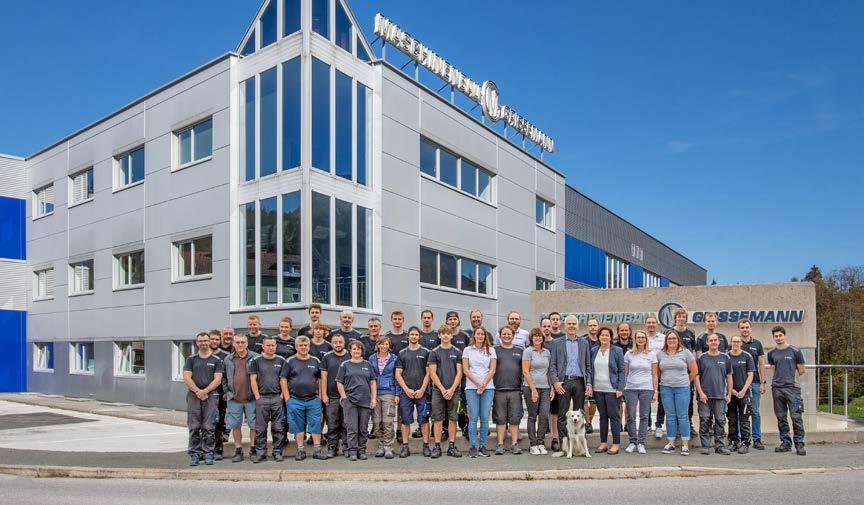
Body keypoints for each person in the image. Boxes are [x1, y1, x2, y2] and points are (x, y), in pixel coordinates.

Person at [548, 315, 593, 457]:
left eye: (574, 324)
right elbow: (552, 365)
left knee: (579, 415)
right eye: (569, 324)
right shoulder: (557, 343)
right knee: (562, 415)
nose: (572, 326)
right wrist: (555, 382)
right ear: (565, 326)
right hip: (564, 382)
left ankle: (579, 446)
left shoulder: (584, 343)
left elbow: (588, 366)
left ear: (577, 326)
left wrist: (589, 383)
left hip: (580, 382)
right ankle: (565, 446)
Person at [281, 336, 326, 461]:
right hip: (295, 399)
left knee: (316, 424)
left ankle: (317, 450)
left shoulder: (315, 361)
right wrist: (287, 399)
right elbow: (283, 380)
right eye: (301, 345)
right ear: (296, 347)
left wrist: (320, 396)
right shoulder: (290, 361)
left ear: (309, 347)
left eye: (305, 345)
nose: (303, 347)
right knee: (298, 425)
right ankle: (300, 450)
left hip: (313, 399)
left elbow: (320, 379)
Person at [183, 332, 224, 466]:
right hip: (193, 396)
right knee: (194, 427)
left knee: (209, 427)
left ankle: (208, 454)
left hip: (210, 397)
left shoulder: (216, 360)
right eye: (200, 341)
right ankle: (195, 455)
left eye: (205, 340)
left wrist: (205, 391)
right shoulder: (191, 359)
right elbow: (187, 377)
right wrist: (197, 391)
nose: (203, 343)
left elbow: (218, 379)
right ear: (197, 343)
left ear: (209, 342)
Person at [656, 330, 697, 456]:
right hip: (666, 388)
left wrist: (684, 381)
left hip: (682, 388)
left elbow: (694, 371)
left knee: (683, 416)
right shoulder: (660, 354)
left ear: (678, 340)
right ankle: (671, 443)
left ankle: (685, 445)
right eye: (669, 339)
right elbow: (658, 372)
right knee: (670, 416)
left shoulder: (686, 352)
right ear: (666, 341)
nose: (672, 340)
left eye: (674, 338)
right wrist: (666, 381)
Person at [767, 326, 806, 455]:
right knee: (781, 417)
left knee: (796, 417)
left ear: (785, 336)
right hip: (777, 389)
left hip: (793, 389)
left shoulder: (795, 351)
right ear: (773, 337)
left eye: (780, 335)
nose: (778, 338)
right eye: (776, 336)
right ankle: (785, 443)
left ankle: (799, 444)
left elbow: (801, 370)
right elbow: (774, 370)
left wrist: (790, 379)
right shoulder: (771, 353)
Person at [336, 340, 377, 461]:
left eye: (358, 349)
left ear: (362, 351)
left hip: (365, 401)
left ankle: (362, 450)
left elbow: (373, 382)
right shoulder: (345, 365)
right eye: (354, 349)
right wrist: (344, 397)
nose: (356, 351)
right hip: (350, 401)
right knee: (352, 428)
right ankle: (353, 451)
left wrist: (373, 398)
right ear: (350, 351)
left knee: (363, 428)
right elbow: (339, 382)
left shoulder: (367, 365)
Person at [427, 324, 464, 458]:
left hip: (454, 391)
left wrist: (452, 389)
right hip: (438, 391)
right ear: (439, 335)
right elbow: (432, 373)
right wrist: (443, 389)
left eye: (448, 333)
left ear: (451, 335)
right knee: (437, 419)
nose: (446, 336)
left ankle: (452, 446)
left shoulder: (457, 352)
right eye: (443, 334)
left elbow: (460, 372)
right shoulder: (434, 352)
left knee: (453, 418)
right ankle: (437, 447)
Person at [249, 336, 287, 463]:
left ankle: (277, 451)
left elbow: (283, 379)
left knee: (278, 427)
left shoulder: (281, 360)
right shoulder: (256, 360)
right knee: (260, 428)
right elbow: (253, 379)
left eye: (273, 345)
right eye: (268, 345)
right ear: (263, 346)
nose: (270, 347)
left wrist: (282, 395)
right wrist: (257, 396)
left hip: (277, 398)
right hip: (262, 398)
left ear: (276, 346)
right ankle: (261, 453)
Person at [396, 326, 432, 457]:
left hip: (423, 393)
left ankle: (426, 446)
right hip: (406, 393)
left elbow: (429, 373)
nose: (414, 337)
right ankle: (405, 447)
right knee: (405, 420)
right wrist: (406, 389)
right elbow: (398, 374)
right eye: (412, 334)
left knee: (424, 420)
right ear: (408, 336)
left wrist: (422, 389)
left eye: (416, 335)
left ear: (419, 337)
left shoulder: (426, 352)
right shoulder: (402, 353)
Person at [695, 333, 733, 455]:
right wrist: (701, 393)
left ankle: (719, 446)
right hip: (704, 396)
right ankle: (705, 445)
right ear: (707, 343)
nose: (713, 342)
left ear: (719, 342)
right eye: (711, 340)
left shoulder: (725, 358)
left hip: (720, 395)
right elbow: (696, 377)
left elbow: (729, 377)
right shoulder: (701, 358)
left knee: (720, 421)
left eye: (715, 340)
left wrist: (729, 394)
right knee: (705, 420)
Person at [223, 334, 258, 463]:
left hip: (251, 398)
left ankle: (253, 449)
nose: (240, 344)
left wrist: (257, 393)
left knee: (254, 425)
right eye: (237, 342)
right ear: (233, 344)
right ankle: (238, 450)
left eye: (243, 342)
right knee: (235, 425)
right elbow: (224, 378)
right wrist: (227, 392)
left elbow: (260, 376)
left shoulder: (255, 358)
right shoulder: (228, 359)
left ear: (247, 344)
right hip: (234, 399)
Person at [462, 326, 497, 458]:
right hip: (472, 387)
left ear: (485, 336)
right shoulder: (467, 350)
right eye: (478, 334)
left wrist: (483, 384)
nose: (480, 336)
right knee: (473, 418)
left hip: (488, 387)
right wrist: (477, 383)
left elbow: (492, 369)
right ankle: (472, 447)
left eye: (482, 334)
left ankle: (483, 446)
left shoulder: (491, 350)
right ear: (474, 336)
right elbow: (466, 369)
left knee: (484, 418)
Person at [591, 327, 625, 455]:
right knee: (603, 416)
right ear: (599, 337)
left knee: (614, 416)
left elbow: (622, 370)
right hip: (598, 389)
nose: (604, 337)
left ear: (610, 337)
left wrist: (620, 388)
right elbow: (590, 369)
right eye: (602, 335)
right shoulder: (594, 351)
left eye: (607, 335)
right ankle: (603, 443)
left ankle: (616, 444)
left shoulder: (617, 351)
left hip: (612, 389)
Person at [623, 331, 657, 454]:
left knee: (644, 416)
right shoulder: (629, 354)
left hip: (646, 388)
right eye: (638, 337)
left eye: (643, 337)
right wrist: (623, 388)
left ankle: (641, 443)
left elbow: (654, 374)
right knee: (630, 416)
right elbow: (625, 373)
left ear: (646, 340)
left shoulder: (652, 355)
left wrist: (655, 391)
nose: (641, 339)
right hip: (631, 388)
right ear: (635, 339)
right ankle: (632, 442)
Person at [493, 326, 524, 455]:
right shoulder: (494, 350)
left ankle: (514, 444)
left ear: (513, 335)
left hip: (515, 390)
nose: (506, 336)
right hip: (499, 390)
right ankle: (500, 445)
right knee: (500, 418)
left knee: (515, 418)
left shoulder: (520, 350)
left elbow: (524, 369)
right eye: (504, 334)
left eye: (509, 334)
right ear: (500, 336)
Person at [522, 327, 552, 455]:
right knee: (532, 416)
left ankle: (540, 442)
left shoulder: (547, 352)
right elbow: (525, 371)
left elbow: (549, 371)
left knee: (544, 416)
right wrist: (533, 390)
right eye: (535, 336)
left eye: (540, 336)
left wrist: (552, 388)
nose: (538, 338)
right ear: (531, 338)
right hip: (530, 388)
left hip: (545, 388)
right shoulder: (528, 351)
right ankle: (533, 444)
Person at [319, 334, 350, 458]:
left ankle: (347, 447)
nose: (338, 344)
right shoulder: (327, 357)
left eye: (340, 342)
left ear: (344, 343)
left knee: (347, 423)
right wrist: (324, 394)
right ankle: (332, 447)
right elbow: (323, 377)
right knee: (332, 424)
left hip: (348, 396)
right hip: (332, 397)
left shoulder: (350, 355)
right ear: (331, 343)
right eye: (335, 342)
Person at [738, 319, 767, 450]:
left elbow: (761, 364)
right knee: (740, 412)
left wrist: (763, 382)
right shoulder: (735, 344)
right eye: (742, 327)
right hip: (739, 384)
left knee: (755, 411)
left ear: (751, 329)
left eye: (747, 327)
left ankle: (757, 439)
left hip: (755, 383)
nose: (745, 330)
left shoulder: (757, 344)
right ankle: (741, 439)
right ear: (739, 329)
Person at [370, 336, 400, 458]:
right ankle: (380, 445)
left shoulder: (394, 358)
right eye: (381, 344)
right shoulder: (371, 358)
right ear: (378, 345)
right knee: (377, 422)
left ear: (389, 346)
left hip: (389, 393)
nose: (384, 346)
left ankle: (389, 447)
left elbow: (397, 377)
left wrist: (397, 394)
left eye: (386, 344)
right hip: (375, 393)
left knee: (388, 422)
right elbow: (369, 377)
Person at [728, 335, 756, 454]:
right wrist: (731, 390)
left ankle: (745, 443)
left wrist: (744, 390)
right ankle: (733, 441)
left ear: (741, 343)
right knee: (732, 418)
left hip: (744, 393)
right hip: (731, 393)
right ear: (731, 342)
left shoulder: (747, 356)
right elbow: (724, 375)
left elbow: (750, 375)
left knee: (744, 419)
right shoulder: (726, 356)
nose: (736, 343)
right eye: (734, 341)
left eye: (738, 341)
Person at [445, 311, 470, 439]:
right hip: (447, 375)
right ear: (446, 321)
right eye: (450, 319)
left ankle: (465, 427)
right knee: (447, 403)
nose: (453, 321)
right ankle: (445, 429)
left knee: (462, 403)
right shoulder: (444, 335)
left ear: (458, 321)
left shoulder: (465, 336)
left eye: (455, 319)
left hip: (463, 376)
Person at [208, 329, 229, 460]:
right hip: (206, 394)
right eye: (212, 339)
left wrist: (227, 392)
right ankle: (205, 449)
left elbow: (227, 376)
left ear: (220, 340)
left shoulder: (226, 356)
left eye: (217, 339)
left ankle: (218, 449)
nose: (214, 341)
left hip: (221, 394)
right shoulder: (202, 355)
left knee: (219, 423)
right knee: (205, 423)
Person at [645, 315, 666, 439]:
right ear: (646, 324)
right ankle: (647, 424)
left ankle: (659, 424)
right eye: (649, 322)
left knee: (662, 400)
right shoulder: (642, 337)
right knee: (646, 399)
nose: (651, 325)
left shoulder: (663, 338)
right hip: (647, 373)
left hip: (662, 373)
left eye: (653, 322)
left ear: (657, 324)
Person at [583, 317, 601, 433]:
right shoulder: (583, 341)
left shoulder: (601, 340)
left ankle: (590, 421)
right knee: (584, 400)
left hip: (597, 374)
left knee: (594, 401)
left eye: (594, 325)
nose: (593, 327)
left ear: (598, 326)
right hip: (585, 373)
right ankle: (587, 423)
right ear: (588, 327)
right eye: (590, 325)